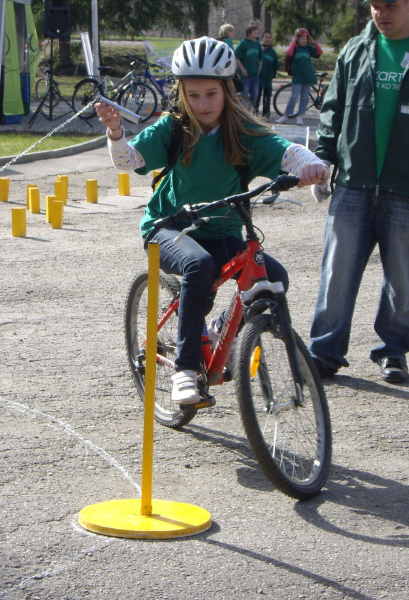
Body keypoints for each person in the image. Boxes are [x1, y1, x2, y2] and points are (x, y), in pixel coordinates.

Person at [95, 37, 328, 403]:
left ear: (228, 91)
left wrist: (310, 164)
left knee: (274, 277)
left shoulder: (243, 132)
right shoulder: (173, 128)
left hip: (221, 229)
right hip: (168, 226)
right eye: (193, 95)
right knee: (199, 266)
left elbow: (285, 151)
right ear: (181, 93)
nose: (202, 104)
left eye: (211, 94)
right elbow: (129, 160)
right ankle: (185, 371)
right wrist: (115, 132)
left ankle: (222, 329)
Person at [308, 0, 409, 384]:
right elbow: (333, 109)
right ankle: (325, 351)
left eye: (391, 5)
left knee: (401, 277)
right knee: (337, 272)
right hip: (353, 181)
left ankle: (393, 351)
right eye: (375, 5)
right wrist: (324, 160)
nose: (382, 13)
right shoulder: (354, 50)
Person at [276, 28, 323, 125]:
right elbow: (289, 53)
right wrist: (293, 42)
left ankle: (300, 116)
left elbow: (319, 52)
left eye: (305, 39)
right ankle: (285, 115)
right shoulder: (295, 48)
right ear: (297, 39)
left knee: (304, 97)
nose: (304, 41)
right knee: (294, 96)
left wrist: (314, 43)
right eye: (302, 39)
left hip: (308, 76)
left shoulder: (308, 48)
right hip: (297, 76)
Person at [235, 24, 263, 112]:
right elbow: (237, 57)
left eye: (257, 33)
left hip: (255, 74)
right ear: (249, 33)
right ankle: (243, 112)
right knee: (244, 95)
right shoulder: (243, 44)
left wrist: (259, 69)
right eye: (255, 33)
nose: (256, 35)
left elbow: (261, 58)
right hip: (245, 75)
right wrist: (242, 69)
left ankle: (251, 112)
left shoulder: (257, 44)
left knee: (255, 95)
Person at [256, 31, 279, 120]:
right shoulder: (259, 49)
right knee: (257, 97)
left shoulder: (273, 52)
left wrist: (273, 73)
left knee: (267, 98)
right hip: (258, 78)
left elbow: (276, 65)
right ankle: (255, 113)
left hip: (268, 79)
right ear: (263, 38)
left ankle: (266, 115)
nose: (267, 39)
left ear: (271, 39)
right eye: (266, 37)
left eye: (269, 37)